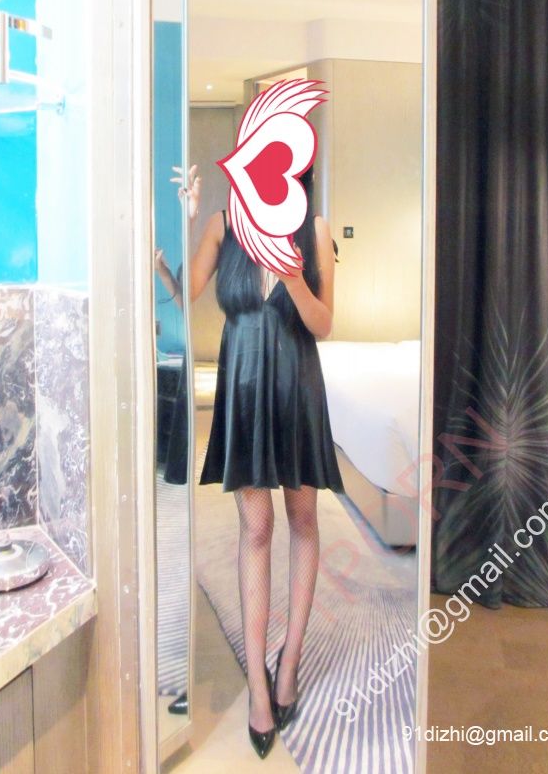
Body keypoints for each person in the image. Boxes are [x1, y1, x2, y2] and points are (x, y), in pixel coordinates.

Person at [155, 162, 344, 760]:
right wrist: (185, 228)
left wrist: (292, 280)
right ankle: (259, 686)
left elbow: (324, 323)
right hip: (243, 389)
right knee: (255, 528)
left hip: (297, 385)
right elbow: (187, 299)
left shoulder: (314, 229)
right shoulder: (223, 223)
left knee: (303, 520)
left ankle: (290, 661)